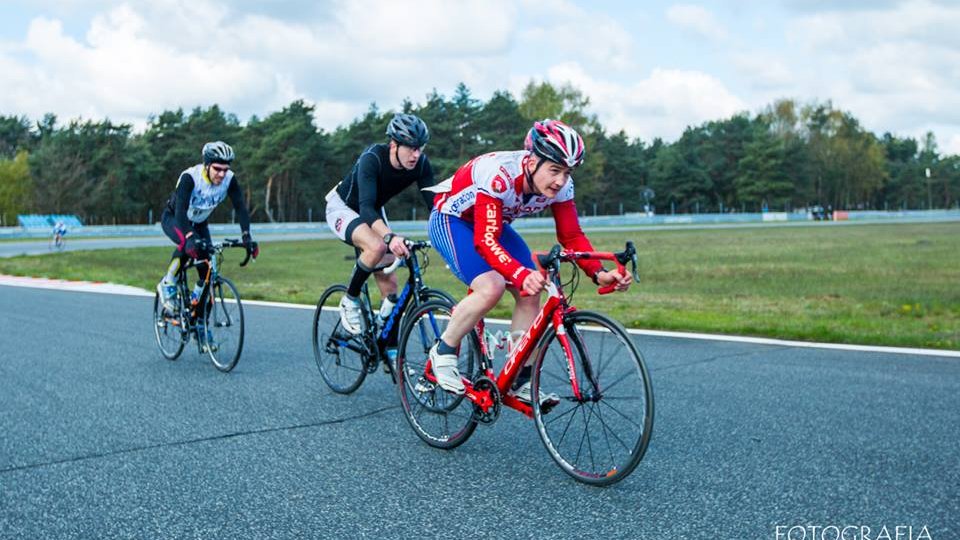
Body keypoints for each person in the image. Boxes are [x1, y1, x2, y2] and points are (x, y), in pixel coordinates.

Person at [426, 119, 633, 403]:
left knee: (533, 287)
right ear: (532, 160)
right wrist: (519, 273)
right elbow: (485, 241)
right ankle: (444, 350)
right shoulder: (499, 175)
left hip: (493, 224)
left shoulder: (562, 187)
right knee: (492, 286)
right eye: (554, 170)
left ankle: (519, 378)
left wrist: (599, 273)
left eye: (567, 172)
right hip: (452, 220)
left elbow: (571, 235)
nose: (560, 180)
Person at [325, 113, 435, 340]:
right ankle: (349, 300)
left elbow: (435, 206)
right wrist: (390, 238)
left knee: (391, 289)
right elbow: (365, 209)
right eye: (410, 148)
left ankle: (387, 345)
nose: (416, 155)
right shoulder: (372, 158)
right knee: (376, 247)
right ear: (394, 144)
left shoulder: (421, 164)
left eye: (420, 148)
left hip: (374, 210)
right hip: (345, 207)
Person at [156, 141, 258, 341]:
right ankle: (168, 282)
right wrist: (189, 237)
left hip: (200, 224)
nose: (222, 174)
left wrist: (247, 236)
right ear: (207, 165)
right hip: (176, 219)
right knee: (188, 247)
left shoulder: (229, 179)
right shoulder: (190, 178)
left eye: (225, 169)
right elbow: (180, 211)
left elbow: (240, 207)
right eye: (217, 169)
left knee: (209, 272)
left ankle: (199, 319)